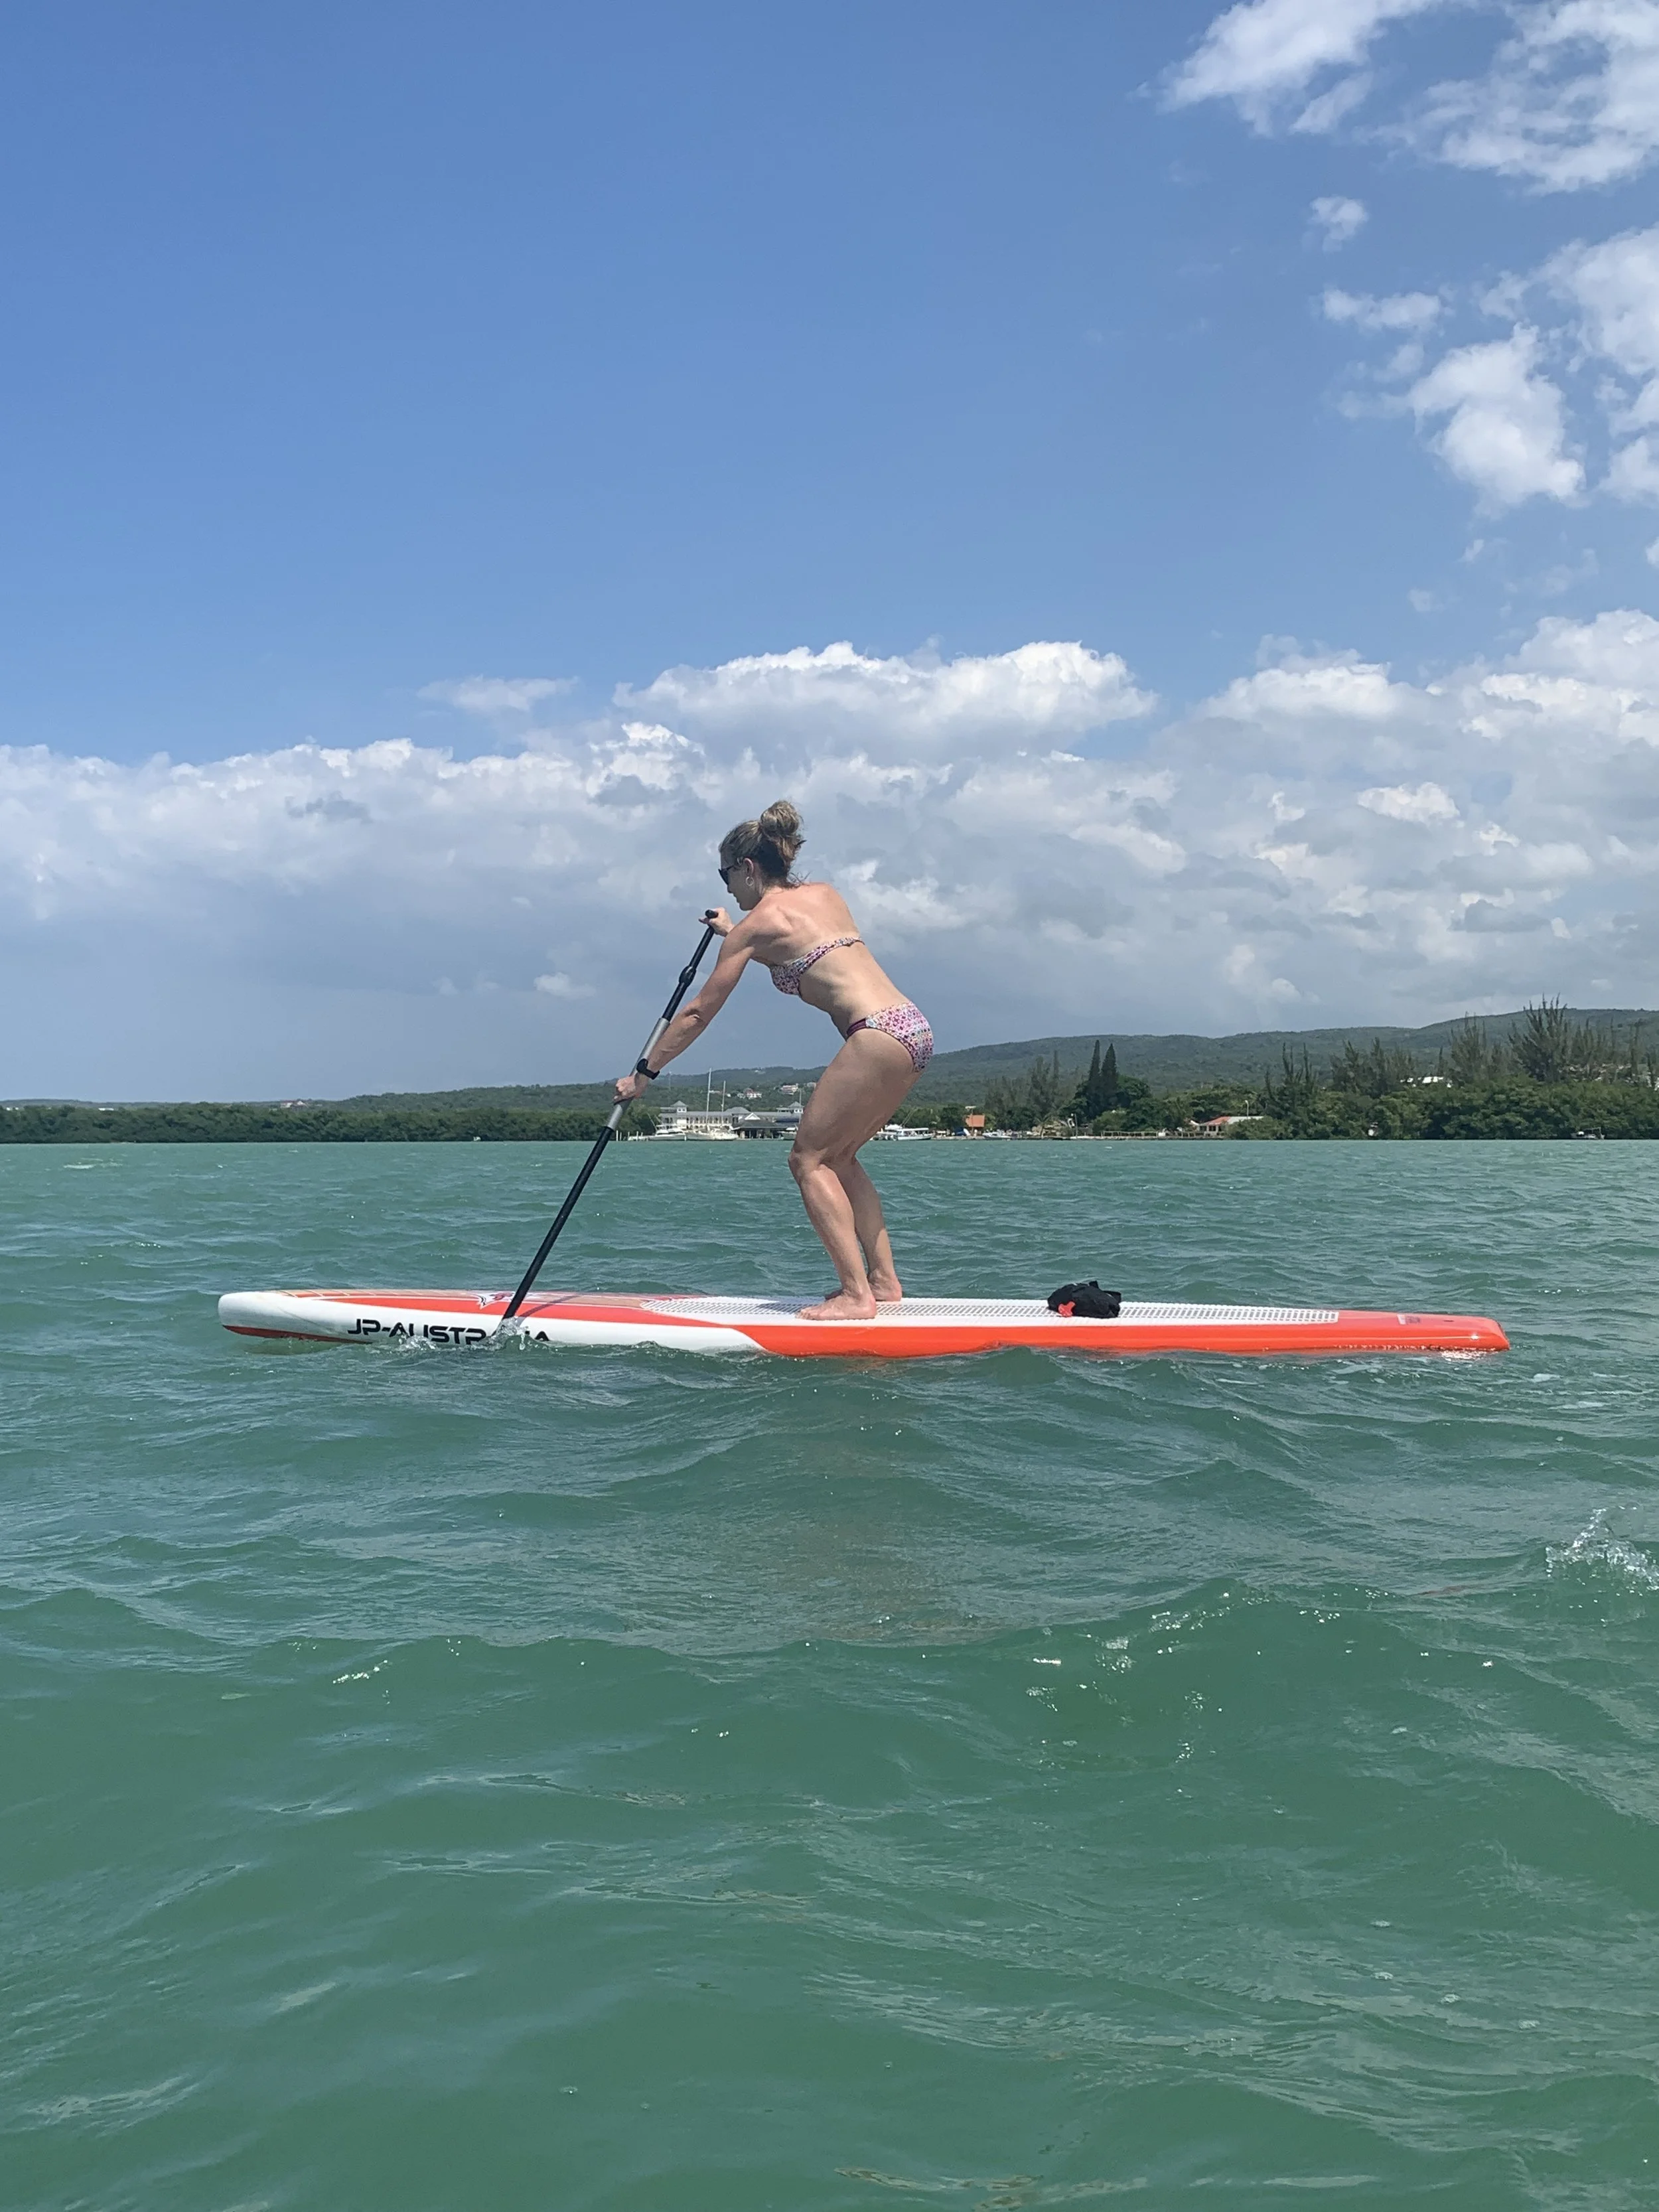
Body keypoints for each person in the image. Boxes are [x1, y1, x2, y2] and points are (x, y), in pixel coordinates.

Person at [613, 800, 932, 1321]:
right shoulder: (825, 894)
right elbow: (796, 941)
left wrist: (644, 1073)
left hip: (872, 1036)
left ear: (749, 868)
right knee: (841, 1158)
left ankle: (857, 1296)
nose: (728, 889)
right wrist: (733, 931)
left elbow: (697, 1013)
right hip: (911, 1029)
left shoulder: (753, 929)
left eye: (726, 875)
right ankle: (884, 1283)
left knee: (807, 1161)